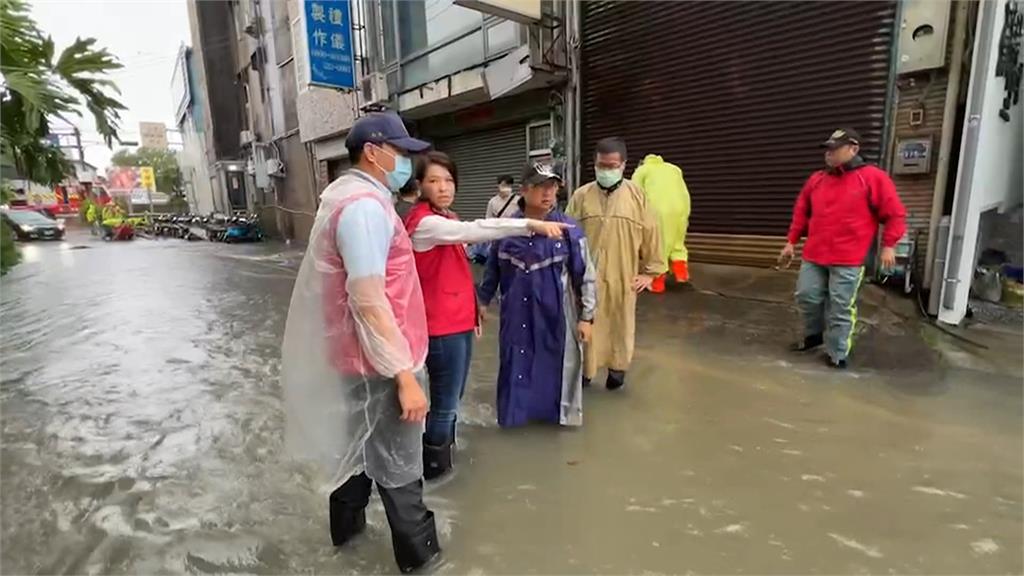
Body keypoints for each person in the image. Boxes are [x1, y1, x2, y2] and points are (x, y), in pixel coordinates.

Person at [280, 112, 440, 573]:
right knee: (401, 473)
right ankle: (422, 564)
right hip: (382, 367)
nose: (408, 160)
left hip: (353, 361)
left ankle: (345, 551)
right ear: (374, 152)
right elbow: (369, 299)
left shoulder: (342, 200)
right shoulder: (365, 209)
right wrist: (404, 376)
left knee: (354, 461)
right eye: (402, 151)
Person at [404, 151, 570, 479]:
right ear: (420, 185)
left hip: (457, 323)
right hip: (440, 328)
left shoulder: (446, 218)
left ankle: (441, 458)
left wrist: (473, 311)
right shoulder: (425, 223)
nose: (443, 187)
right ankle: (436, 472)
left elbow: (455, 274)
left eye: (449, 180)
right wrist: (528, 224)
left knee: (453, 397)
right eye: (434, 181)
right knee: (445, 403)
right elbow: (477, 230)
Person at [478, 163, 597, 427]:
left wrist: (587, 317)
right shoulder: (507, 228)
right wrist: (482, 302)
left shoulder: (569, 230)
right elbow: (491, 269)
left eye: (552, 187)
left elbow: (585, 275)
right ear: (524, 190)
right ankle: (513, 420)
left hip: (555, 313)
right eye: (540, 187)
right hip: (514, 312)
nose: (548, 193)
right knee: (514, 361)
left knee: (557, 365)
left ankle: (557, 422)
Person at [779, 128, 906, 369]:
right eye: (827, 149)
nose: (828, 154)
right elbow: (801, 211)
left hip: (849, 259)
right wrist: (791, 242)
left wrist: (889, 245)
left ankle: (837, 352)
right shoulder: (817, 180)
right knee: (807, 296)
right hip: (815, 255)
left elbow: (895, 214)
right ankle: (813, 336)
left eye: (834, 149)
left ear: (853, 149)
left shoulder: (872, 178)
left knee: (840, 307)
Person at [566, 137, 664, 390]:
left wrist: (650, 274)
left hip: (623, 280)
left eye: (611, 166)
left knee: (619, 329)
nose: (606, 171)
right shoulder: (582, 196)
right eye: (601, 165)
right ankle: (584, 376)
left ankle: (616, 372)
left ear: (623, 165)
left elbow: (652, 235)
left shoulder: (637, 197)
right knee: (586, 332)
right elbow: (567, 235)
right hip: (586, 281)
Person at [632, 154, 692, 292]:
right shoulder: (674, 169)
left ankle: (656, 283)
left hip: (659, 209)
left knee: (659, 243)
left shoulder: (643, 170)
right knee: (677, 242)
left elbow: (634, 193)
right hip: (682, 207)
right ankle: (681, 275)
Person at [468, 175, 519, 264]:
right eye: (503, 185)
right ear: (498, 186)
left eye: (508, 185)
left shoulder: (518, 200)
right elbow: (488, 219)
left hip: (514, 234)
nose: (506, 188)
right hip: (498, 235)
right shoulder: (493, 202)